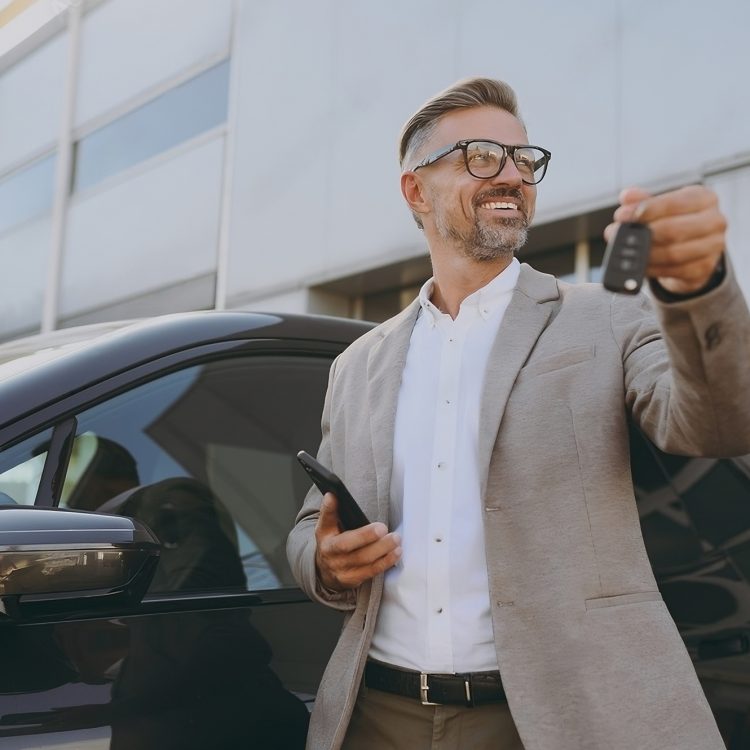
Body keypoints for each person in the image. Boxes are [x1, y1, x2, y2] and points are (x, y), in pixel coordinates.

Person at [287, 77, 750, 750]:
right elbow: (309, 523)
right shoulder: (359, 362)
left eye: (523, 159)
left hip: (554, 718)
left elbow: (718, 424)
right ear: (416, 190)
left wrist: (701, 290)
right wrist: (325, 561)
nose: (510, 175)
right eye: (481, 156)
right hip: (377, 714)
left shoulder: (609, 316)